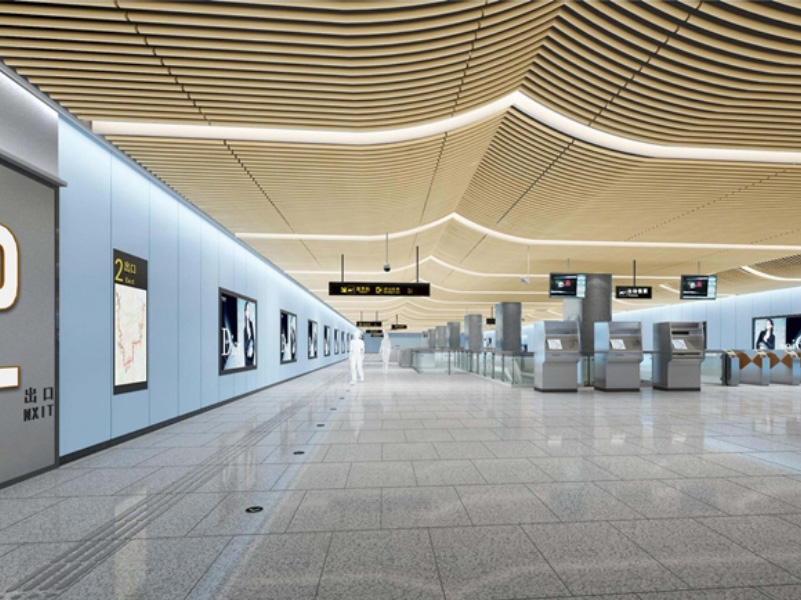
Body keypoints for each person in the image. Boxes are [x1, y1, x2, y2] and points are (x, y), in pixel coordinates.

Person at [243, 301, 255, 366]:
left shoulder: (251, 324)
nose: (249, 312)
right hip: (247, 361)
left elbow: (253, 342)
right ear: (245, 312)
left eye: (249, 310)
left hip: (251, 360)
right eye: (247, 310)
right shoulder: (244, 327)